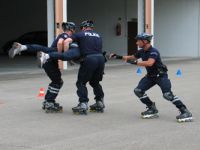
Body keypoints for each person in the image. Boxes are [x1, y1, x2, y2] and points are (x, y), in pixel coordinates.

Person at [110, 33, 192, 122]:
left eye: (138, 41)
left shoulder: (154, 51)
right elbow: (131, 57)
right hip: (150, 76)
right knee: (138, 91)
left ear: (145, 41)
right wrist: (117, 56)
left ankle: (185, 112)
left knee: (167, 95)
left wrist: (135, 63)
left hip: (161, 76)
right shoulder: (142, 51)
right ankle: (152, 108)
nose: (137, 43)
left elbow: (150, 63)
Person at [8, 22, 77, 113]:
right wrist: (61, 54)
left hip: (48, 60)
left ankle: (23, 47)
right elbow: (60, 43)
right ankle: (49, 102)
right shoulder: (65, 36)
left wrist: (67, 58)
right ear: (71, 29)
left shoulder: (62, 35)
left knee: (56, 80)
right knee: (57, 81)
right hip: (48, 60)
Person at [63, 20, 106, 115]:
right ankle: (99, 102)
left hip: (90, 59)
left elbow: (66, 41)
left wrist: (68, 57)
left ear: (83, 28)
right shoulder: (98, 35)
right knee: (95, 82)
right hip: (101, 59)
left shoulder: (80, 34)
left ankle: (83, 103)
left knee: (81, 83)